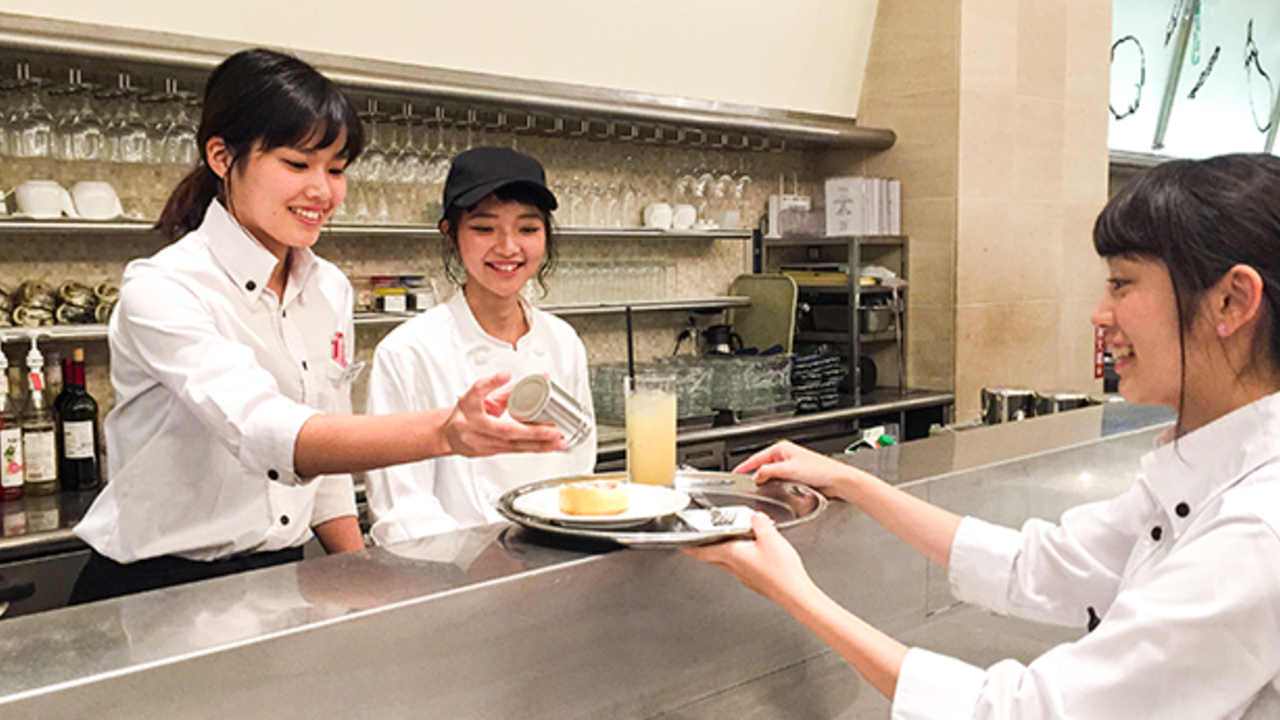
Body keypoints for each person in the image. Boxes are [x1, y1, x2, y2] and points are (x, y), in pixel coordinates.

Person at [686, 153, 1280, 718]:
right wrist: (854, 480)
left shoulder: (1258, 530)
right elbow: (1038, 565)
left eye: (1122, 284)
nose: (1101, 314)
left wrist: (794, 592)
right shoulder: (1209, 470)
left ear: (1231, 301)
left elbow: (1032, 713)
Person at [69, 51, 563, 605]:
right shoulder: (164, 287)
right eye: (298, 165)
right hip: (153, 589)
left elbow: (327, 470)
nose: (323, 192)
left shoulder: (326, 288)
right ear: (221, 156)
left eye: (335, 168)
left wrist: (362, 579)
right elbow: (265, 430)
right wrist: (445, 432)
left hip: (279, 580)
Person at [363, 146, 596, 544]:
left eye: (527, 228)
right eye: (484, 228)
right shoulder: (408, 352)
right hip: (455, 573)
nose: (508, 247)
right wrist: (476, 571)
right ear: (450, 234)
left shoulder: (562, 340)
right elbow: (402, 507)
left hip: (557, 559)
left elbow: (578, 466)